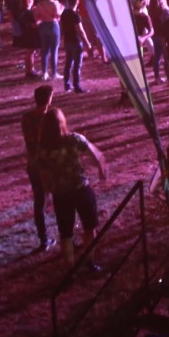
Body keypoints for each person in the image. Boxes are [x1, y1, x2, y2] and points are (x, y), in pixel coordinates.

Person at [37, 108, 110, 265]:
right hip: (81, 189)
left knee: (66, 234)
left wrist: (47, 194)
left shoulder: (42, 149)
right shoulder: (74, 139)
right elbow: (95, 154)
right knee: (89, 227)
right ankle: (90, 261)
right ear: (62, 122)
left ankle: (70, 268)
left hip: (60, 194)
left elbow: (44, 175)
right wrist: (101, 168)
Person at [21, 84, 56, 252]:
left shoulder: (26, 117)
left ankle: (43, 239)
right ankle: (67, 235)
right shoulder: (50, 118)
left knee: (39, 202)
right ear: (49, 99)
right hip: (49, 164)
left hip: (33, 164)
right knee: (60, 199)